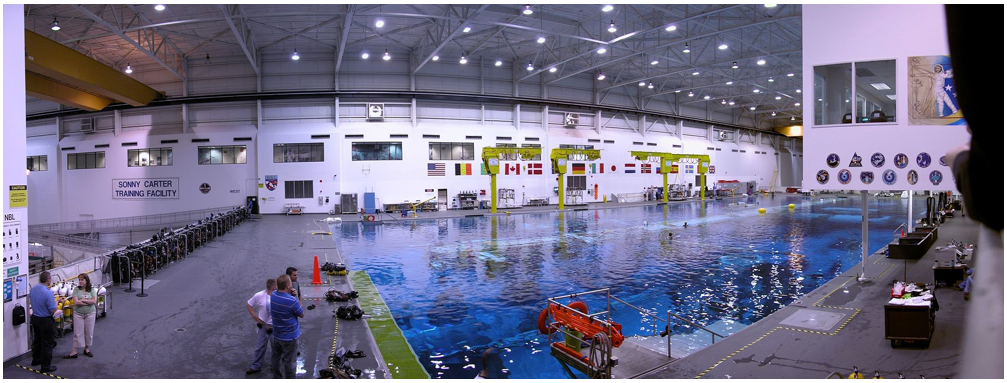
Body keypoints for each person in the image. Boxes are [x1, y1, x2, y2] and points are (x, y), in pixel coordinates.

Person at [270, 275, 304, 379]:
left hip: (276, 334)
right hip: (290, 337)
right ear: (288, 285)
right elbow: (301, 314)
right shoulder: (292, 301)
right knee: (289, 362)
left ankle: (277, 378)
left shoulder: (273, 295)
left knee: (276, 358)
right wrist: (294, 296)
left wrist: (290, 295)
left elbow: (282, 297)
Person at [30, 271, 59, 372]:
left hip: (35, 318)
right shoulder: (48, 293)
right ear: (48, 279)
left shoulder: (34, 289)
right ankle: (45, 366)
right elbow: (52, 309)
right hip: (45, 321)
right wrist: (57, 303)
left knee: (37, 340)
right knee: (47, 343)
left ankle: (36, 360)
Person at [246, 278, 277, 375]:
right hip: (263, 325)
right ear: (273, 287)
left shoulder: (279, 296)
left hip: (275, 326)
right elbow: (249, 304)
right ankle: (256, 366)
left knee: (275, 347)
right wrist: (255, 316)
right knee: (260, 347)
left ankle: (274, 366)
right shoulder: (259, 295)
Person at [65, 274, 98, 359]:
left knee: (89, 332)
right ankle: (74, 351)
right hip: (78, 314)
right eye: (79, 280)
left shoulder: (91, 290)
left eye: (82, 280)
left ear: (86, 280)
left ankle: (86, 349)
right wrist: (87, 301)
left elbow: (94, 301)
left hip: (90, 314)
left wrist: (82, 300)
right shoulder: (76, 290)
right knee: (77, 333)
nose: (80, 281)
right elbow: (76, 302)